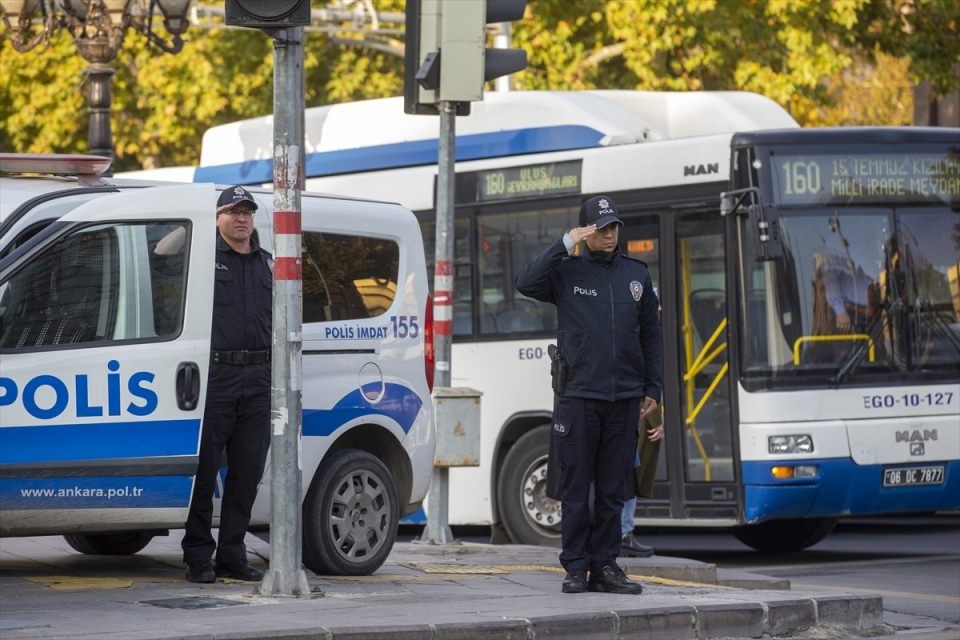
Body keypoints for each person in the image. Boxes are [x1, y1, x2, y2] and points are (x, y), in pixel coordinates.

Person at [516, 195, 662, 595]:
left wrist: (653, 390)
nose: (610, 234)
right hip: (578, 396)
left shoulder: (636, 275)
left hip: (624, 398)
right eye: (601, 228)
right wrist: (565, 242)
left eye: (614, 227)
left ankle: (606, 567)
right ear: (585, 231)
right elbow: (524, 281)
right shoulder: (566, 273)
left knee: (614, 489)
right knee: (577, 489)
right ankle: (576, 568)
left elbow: (651, 336)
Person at [182, 185, 273, 583]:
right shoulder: (203, 260)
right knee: (204, 471)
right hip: (216, 376)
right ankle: (198, 555)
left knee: (247, 472)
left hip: (258, 376)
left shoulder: (268, 264)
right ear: (217, 218)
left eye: (247, 212)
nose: (242, 218)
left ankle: (233, 554)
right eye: (234, 212)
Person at [620, 406, 663, 558]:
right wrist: (656, 420)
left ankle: (621, 533)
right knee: (630, 476)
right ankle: (624, 534)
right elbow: (646, 390)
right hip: (632, 417)